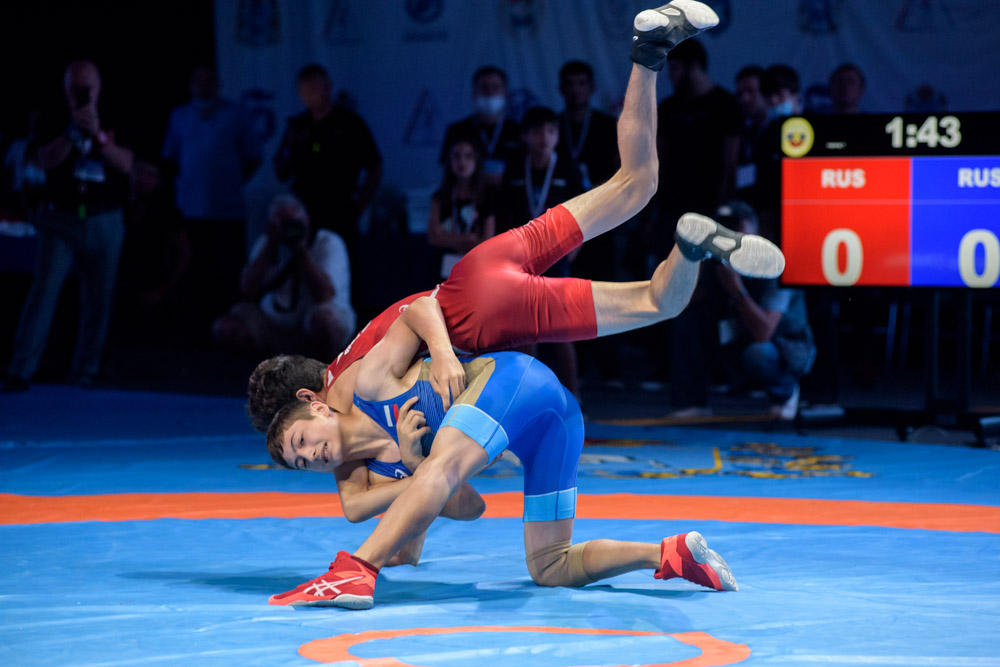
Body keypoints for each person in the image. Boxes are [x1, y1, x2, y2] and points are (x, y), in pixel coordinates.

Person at [265, 0, 748, 610]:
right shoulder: (353, 449)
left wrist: (443, 356)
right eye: (301, 463)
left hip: (478, 317)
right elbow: (424, 511)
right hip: (480, 279)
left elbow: (418, 311)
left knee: (652, 301)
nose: (311, 456)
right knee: (638, 189)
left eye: (300, 442)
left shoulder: (352, 387)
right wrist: (403, 471)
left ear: (311, 400)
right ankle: (649, 54)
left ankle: (354, 572)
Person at [4, 60, 134, 391]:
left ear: (99, 85)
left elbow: (127, 163)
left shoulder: (116, 111)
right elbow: (45, 161)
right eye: (76, 88)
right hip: (60, 219)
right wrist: (71, 131)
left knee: (99, 299)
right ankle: (21, 368)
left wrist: (98, 136)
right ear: (65, 88)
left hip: (104, 218)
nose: (82, 94)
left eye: (87, 87)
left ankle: (87, 371)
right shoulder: (50, 115)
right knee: (43, 292)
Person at [668, 201, 815, 419]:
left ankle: (785, 392)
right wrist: (693, 261)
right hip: (738, 335)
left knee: (759, 354)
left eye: (737, 228)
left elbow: (764, 332)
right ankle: (693, 402)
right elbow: (684, 302)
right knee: (686, 322)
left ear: (755, 229)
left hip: (785, 346)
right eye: (724, 228)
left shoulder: (775, 264)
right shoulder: (716, 260)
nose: (731, 236)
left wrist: (735, 289)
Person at [162, 66, 261, 342]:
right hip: (190, 211)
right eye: (199, 81)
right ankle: (193, 332)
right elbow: (170, 158)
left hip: (227, 211)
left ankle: (229, 333)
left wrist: (228, 182)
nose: (204, 86)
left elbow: (252, 157)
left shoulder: (237, 113)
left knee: (227, 272)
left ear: (218, 84)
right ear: (191, 84)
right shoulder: (179, 116)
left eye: (209, 81)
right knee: (192, 271)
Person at [497, 105, 584, 396]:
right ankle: (527, 397)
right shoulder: (514, 167)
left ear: (557, 135)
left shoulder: (568, 167)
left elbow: (583, 215)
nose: (544, 138)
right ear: (524, 136)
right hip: (521, 260)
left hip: (557, 258)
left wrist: (569, 255)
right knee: (525, 331)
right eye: (536, 132)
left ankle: (574, 396)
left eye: (550, 131)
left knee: (562, 330)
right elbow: (505, 216)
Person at [273, 64, 382, 295]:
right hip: (305, 210)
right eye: (304, 91)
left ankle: (348, 314)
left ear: (328, 87)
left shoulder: (350, 123)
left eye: (314, 89)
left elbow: (374, 165)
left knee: (344, 269)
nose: (309, 96)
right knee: (304, 267)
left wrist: (362, 201)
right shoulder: (297, 126)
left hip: (341, 208)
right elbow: (281, 170)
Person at [212, 194, 355, 361]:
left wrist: (301, 252)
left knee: (324, 322)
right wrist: (270, 245)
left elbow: (325, 294)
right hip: (271, 320)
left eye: (293, 222)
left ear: (307, 220)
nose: (288, 229)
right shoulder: (267, 242)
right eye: (282, 224)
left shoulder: (327, 242)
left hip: (311, 318)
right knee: (224, 328)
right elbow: (247, 289)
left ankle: (324, 370)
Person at [426, 133, 497, 282]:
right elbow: (433, 237)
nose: (462, 162)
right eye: (456, 156)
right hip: (446, 268)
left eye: (468, 156)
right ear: (449, 160)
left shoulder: (487, 196)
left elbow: (488, 240)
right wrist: (468, 238)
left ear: (476, 160)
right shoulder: (440, 196)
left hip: (478, 267)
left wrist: (448, 238)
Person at [440, 66, 522, 185]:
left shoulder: (518, 131)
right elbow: (448, 170)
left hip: (509, 193)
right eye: (484, 87)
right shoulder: (457, 130)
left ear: (505, 92)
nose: (490, 93)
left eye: (496, 87)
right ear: (474, 92)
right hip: (470, 192)